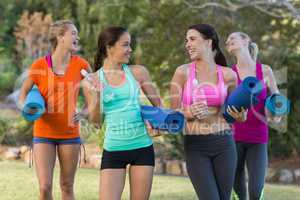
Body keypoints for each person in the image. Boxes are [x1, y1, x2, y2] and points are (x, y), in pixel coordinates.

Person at [170, 23, 246, 200]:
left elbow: (240, 115)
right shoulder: (182, 72)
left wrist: (240, 116)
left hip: (224, 144)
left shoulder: (228, 75)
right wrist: (188, 112)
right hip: (195, 146)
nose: (187, 44)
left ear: (208, 42)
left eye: (192, 39)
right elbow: (171, 115)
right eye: (186, 40)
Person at [19, 20, 93, 200]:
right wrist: (27, 109)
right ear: (60, 37)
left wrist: (84, 112)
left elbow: (93, 97)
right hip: (44, 132)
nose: (77, 37)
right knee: (45, 187)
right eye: (73, 33)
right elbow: (23, 95)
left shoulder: (82, 65)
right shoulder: (39, 66)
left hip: (69, 133)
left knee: (67, 186)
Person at [87, 26, 162, 200]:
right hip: (114, 149)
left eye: (130, 45)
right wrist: (97, 96)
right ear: (109, 47)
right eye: (125, 45)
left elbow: (159, 106)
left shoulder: (138, 72)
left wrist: (159, 125)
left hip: (142, 148)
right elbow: (96, 123)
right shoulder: (93, 80)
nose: (131, 49)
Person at [226, 31, 281, 200]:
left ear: (245, 40)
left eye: (232, 38)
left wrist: (276, 115)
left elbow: (277, 100)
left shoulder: (265, 71)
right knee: (238, 192)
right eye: (227, 41)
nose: (228, 42)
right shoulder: (229, 74)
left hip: (258, 137)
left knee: (256, 191)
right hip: (234, 138)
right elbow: (225, 106)